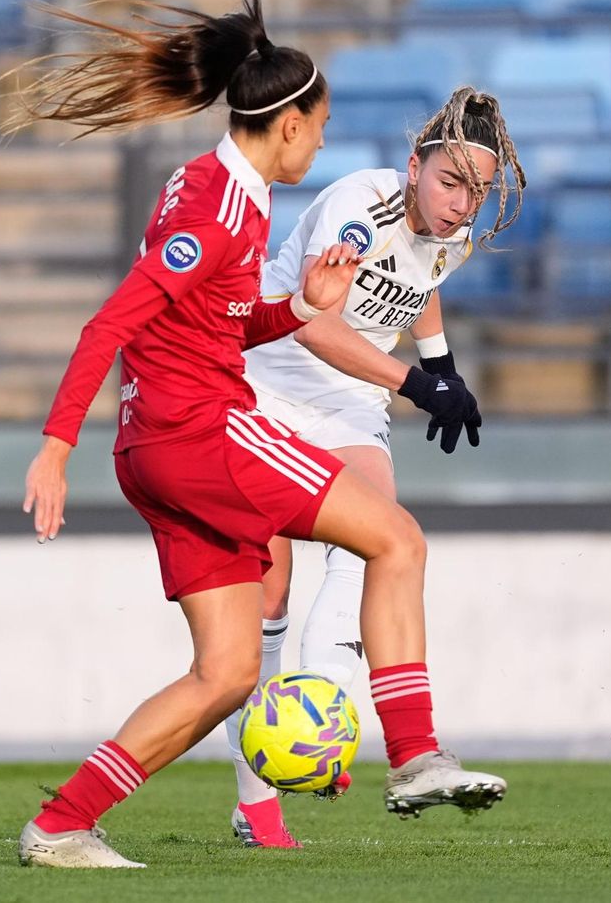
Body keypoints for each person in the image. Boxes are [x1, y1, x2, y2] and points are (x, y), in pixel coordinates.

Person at [11, 0, 471, 869]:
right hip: (201, 435)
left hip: (157, 449)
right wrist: (54, 446)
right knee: (397, 539)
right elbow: (109, 324)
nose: (326, 144)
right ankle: (413, 756)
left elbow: (217, 321)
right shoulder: (220, 209)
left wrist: (301, 306)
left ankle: (62, 824)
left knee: (224, 676)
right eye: (322, 126)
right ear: (288, 124)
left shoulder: (217, 186)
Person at [220, 86, 525, 847]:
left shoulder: (453, 233)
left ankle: (339, 726)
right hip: (268, 380)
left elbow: (420, 288)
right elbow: (318, 325)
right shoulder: (361, 206)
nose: (461, 204)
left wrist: (442, 364)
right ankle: (257, 800)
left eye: (476, 191)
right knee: (268, 592)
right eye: (450, 182)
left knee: (382, 542)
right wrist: (417, 385)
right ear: (414, 167)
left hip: (352, 400)